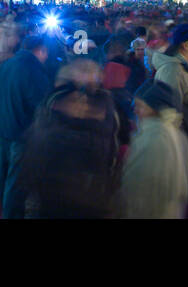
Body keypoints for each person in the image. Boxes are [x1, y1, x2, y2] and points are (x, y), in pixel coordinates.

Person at [19, 58, 120, 218]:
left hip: (82, 197)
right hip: (61, 196)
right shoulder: (52, 107)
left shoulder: (103, 112)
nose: (80, 102)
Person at [0, 34, 53, 218]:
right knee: (16, 185)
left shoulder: (6, 64)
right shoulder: (34, 70)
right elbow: (41, 104)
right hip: (22, 135)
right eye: (46, 53)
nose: (46, 58)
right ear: (41, 50)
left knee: (1, 180)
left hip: (2, 130)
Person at [119, 80, 188, 218]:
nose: (135, 111)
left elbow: (142, 190)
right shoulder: (177, 134)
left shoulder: (154, 138)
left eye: (141, 106)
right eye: (135, 105)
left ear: (156, 109)